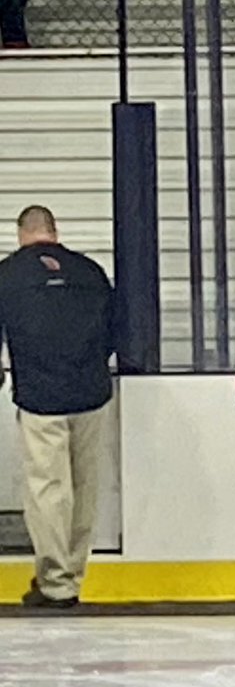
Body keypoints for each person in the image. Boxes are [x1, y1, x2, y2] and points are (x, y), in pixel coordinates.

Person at [0, 206, 115, 608]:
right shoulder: (89, 271)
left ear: (21, 234)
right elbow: (115, 331)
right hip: (92, 394)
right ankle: (74, 576)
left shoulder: (8, 274)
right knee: (85, 487)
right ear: (54, 231)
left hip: (40, 399)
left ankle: (56, 583)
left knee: (49, 490)